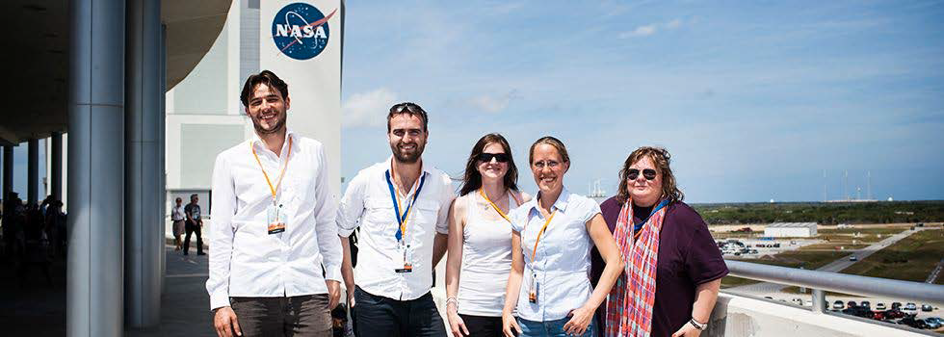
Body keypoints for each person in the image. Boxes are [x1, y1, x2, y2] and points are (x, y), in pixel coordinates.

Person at [207, 70, 342, 337]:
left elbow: (325, 218)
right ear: (247, 110)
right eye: (256, 102)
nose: (265, 107)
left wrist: (333, 273)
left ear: (287, 102)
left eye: (272, 99)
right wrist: (220, 301)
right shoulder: (230, 160)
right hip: (251, 293)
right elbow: (221, 233)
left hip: (308, 289)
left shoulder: (312, 151)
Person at [336, 102, 455, 336]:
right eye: (399, 132)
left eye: (414, 131)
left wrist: (424, 266)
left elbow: (444, 231)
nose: (406, 138)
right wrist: (350, 288)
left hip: (420, 299)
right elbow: (341, 231)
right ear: (389, 136)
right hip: (374, 300)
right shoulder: (366, 180)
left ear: (426, 136)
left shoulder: (442, 183)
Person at [592, 146, 727, 337]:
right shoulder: (609, 211)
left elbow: (710, 275)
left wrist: (697, 323)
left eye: (649, 173)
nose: (640, 178)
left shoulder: (683, 219)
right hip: (612, 330)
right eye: (632, 174)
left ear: (663, 178)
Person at [501, 136, 624, 337]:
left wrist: (589, 308)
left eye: (553, 163)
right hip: (528, 324)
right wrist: (507, 311)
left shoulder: (583, 208)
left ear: (565, 165)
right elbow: (517, 270)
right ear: (531, 167)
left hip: (572, 323)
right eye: (539, 164)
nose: (546, 170)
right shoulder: (520, 215)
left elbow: (615, 261)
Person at [445, 133, 531, 337]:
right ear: (476, 164)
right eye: (486, 157)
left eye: (501, 158)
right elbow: (453, 262)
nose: (494, 162)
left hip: (514, 310)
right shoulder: (462, 205)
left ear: (508, 165)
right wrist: (451, 308)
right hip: (472, 310)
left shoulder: (523, 202)